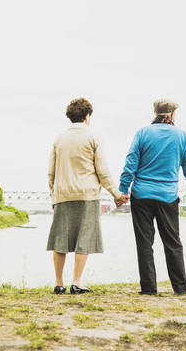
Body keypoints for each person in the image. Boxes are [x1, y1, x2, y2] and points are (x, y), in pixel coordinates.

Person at [119, 99, 186, 295]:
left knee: (144, 243)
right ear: (171, 116)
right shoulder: (182, 136)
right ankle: (180, 288)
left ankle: (149, 289)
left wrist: (123, 190)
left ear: (155, 113)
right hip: (168, 197)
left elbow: (130, 162)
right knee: (173, 242)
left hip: (142, 195)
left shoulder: (142, 133)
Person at [47, 97, 128, 295]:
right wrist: (117, 194)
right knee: (84, 237)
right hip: (87, 195)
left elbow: (51, 172)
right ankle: (76, 282)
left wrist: (54, 195)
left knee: (61, 239)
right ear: (87, 116)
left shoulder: (59, 138)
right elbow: (103, 171)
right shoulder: (94, 137)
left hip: (63, 194)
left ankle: (59, 283)